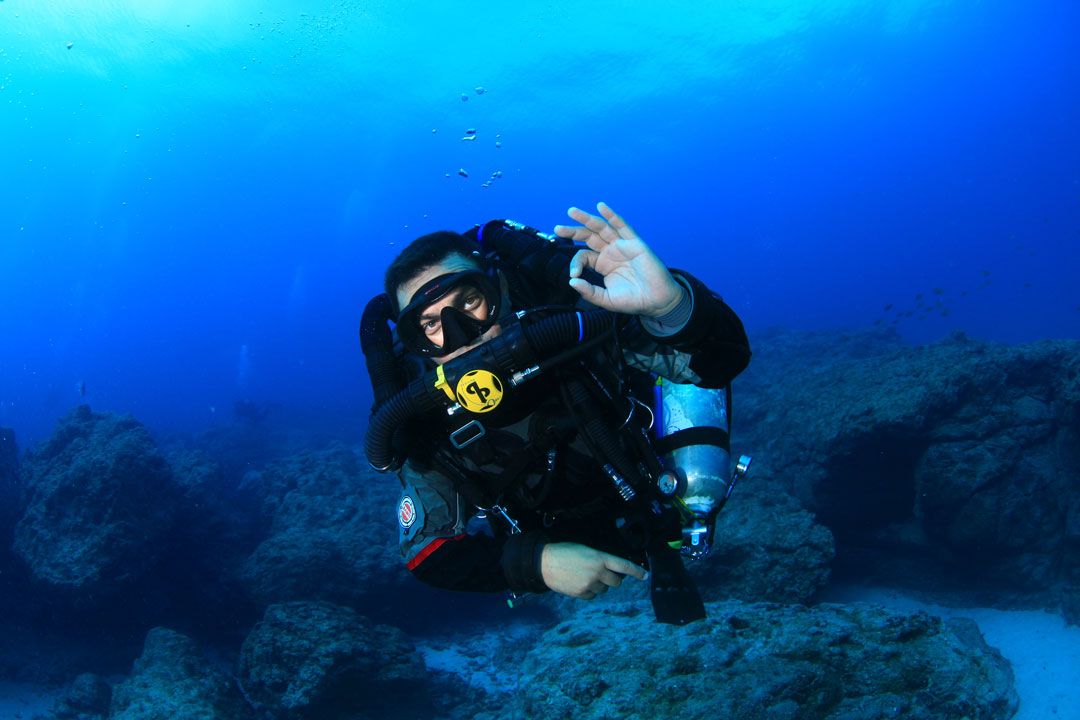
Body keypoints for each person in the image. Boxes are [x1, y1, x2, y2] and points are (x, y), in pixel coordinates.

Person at [361, 202, 751, 621]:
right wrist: (537, 563)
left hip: (650, 497)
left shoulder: (579, 331)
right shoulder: (425, 418)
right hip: (551, 537)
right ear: (416, 346)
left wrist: (669, 308)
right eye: (432, 326)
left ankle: (665, 547)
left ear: (501, 291)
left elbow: (720, 363)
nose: (461, 337)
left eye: (470, 301)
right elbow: (428, 553)